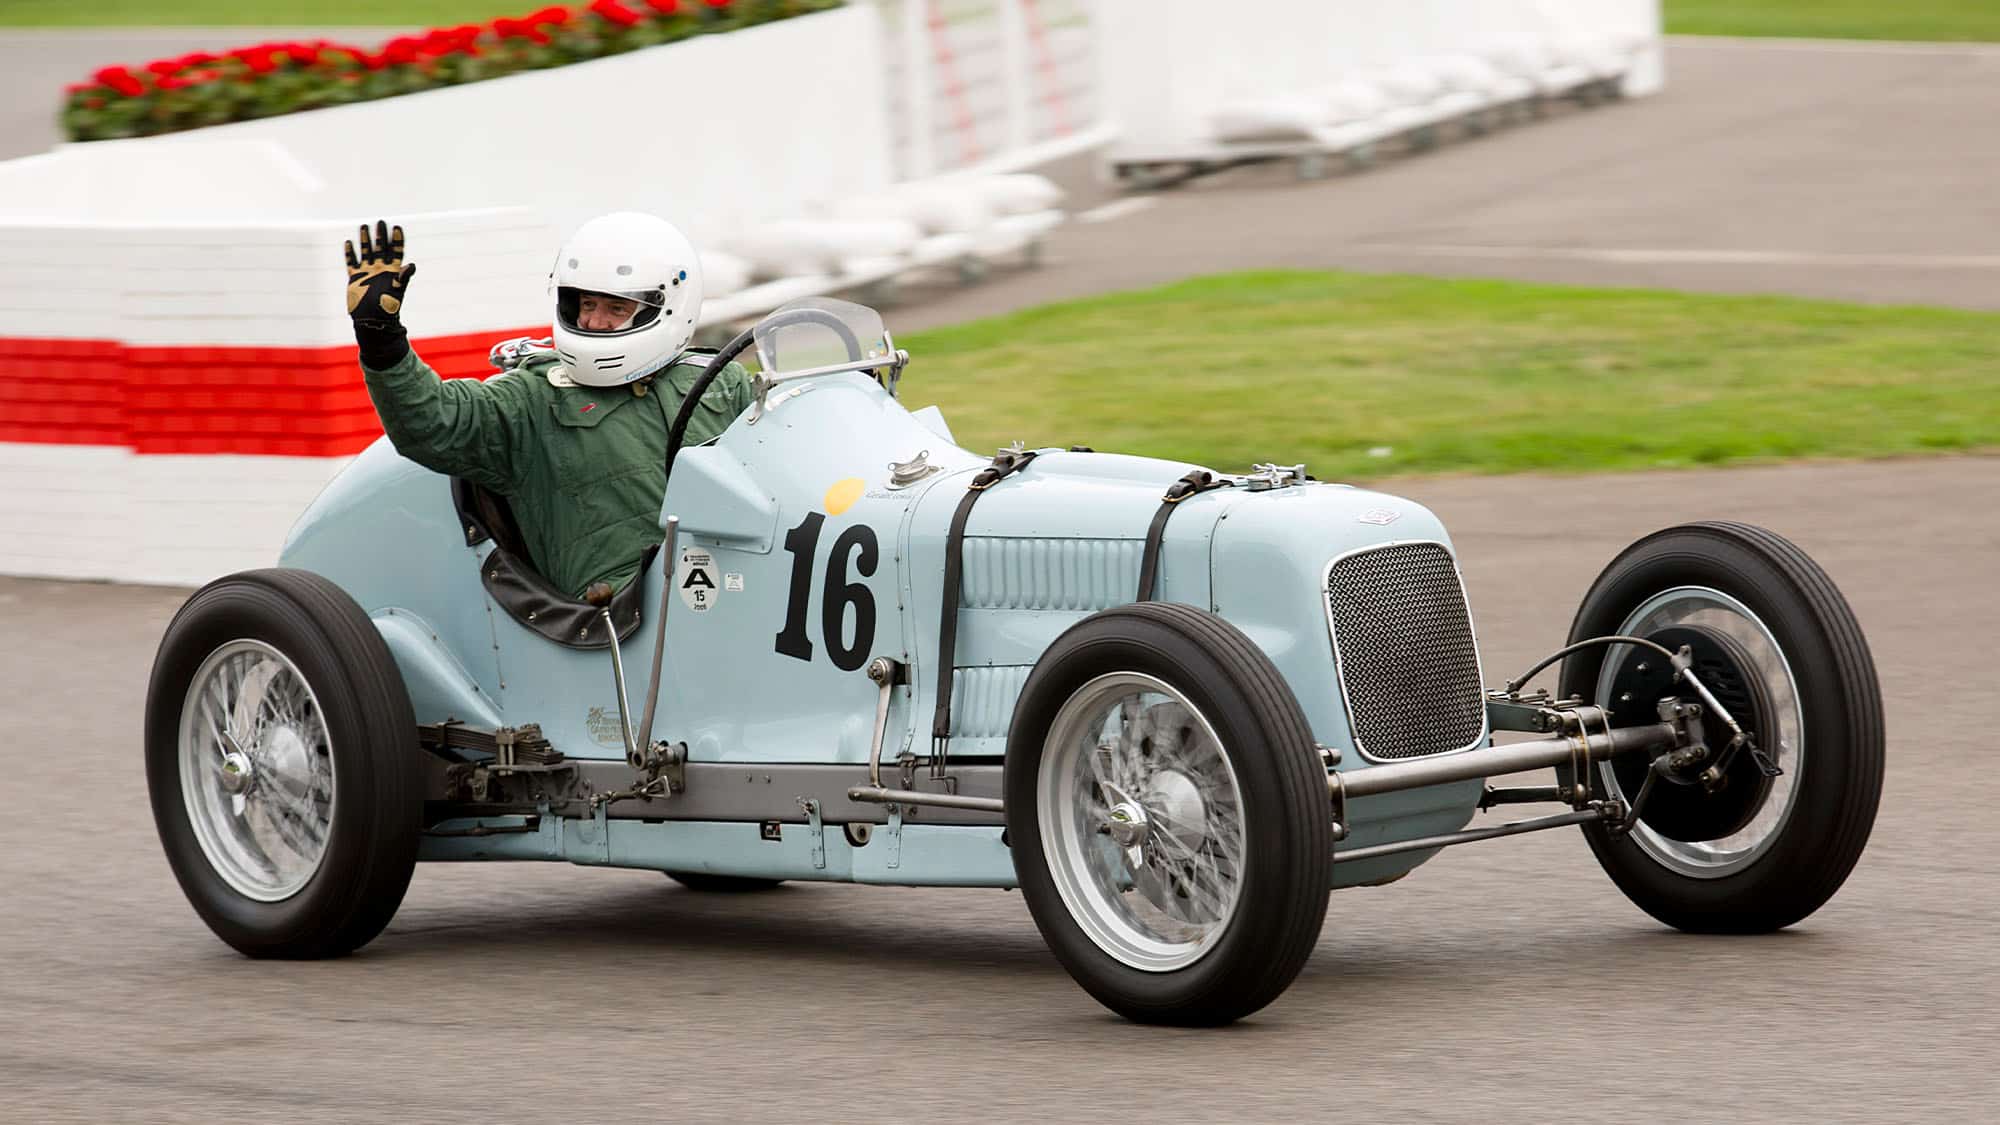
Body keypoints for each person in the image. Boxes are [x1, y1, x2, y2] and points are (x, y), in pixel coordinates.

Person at [345, 214, 753, 599]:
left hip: (740, 583)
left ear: (665, 308)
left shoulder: (718, 380)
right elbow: (434, 421)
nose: (594, 322)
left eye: (616, 308)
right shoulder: (533, 396)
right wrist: (381, 339)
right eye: (587, 305)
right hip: (622, 620)